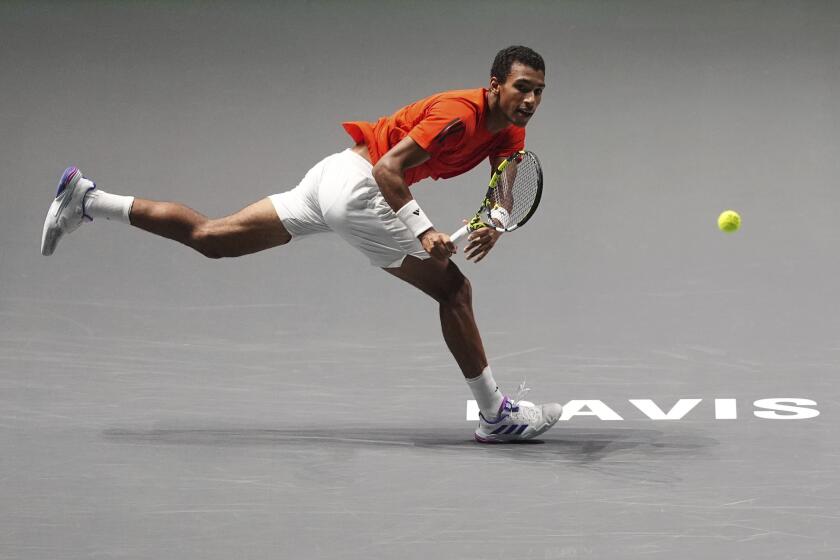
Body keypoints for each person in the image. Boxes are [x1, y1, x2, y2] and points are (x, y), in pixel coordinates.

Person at [40, 45, 561, 443]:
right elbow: (388, 169)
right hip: (360, 186)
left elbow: (506, 183)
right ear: (494, 85)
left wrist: (495, 217)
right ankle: (496, 418)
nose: (531, 101)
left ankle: (88, 200)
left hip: (329, 177)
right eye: (521, 88)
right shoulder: (459, 113)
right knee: (454, 292)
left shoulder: (509, 132)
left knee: (213, 238)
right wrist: (424, 230)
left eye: (538, 91)